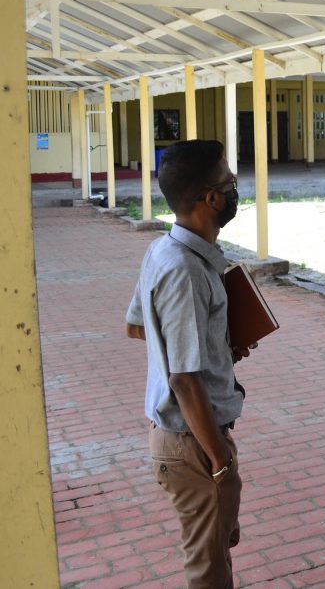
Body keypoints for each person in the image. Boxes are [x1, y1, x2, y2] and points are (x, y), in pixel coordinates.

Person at [125, 140, 247, 589]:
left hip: (188, 439)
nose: (235, 191)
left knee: (216, 555)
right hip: (193, 444)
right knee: (208, 573)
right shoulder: (185, 270)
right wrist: (218, 462)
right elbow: (183, 379)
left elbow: (138, 327)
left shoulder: (163, 250)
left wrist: (214, 348)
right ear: (210, 198)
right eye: (229, 183)